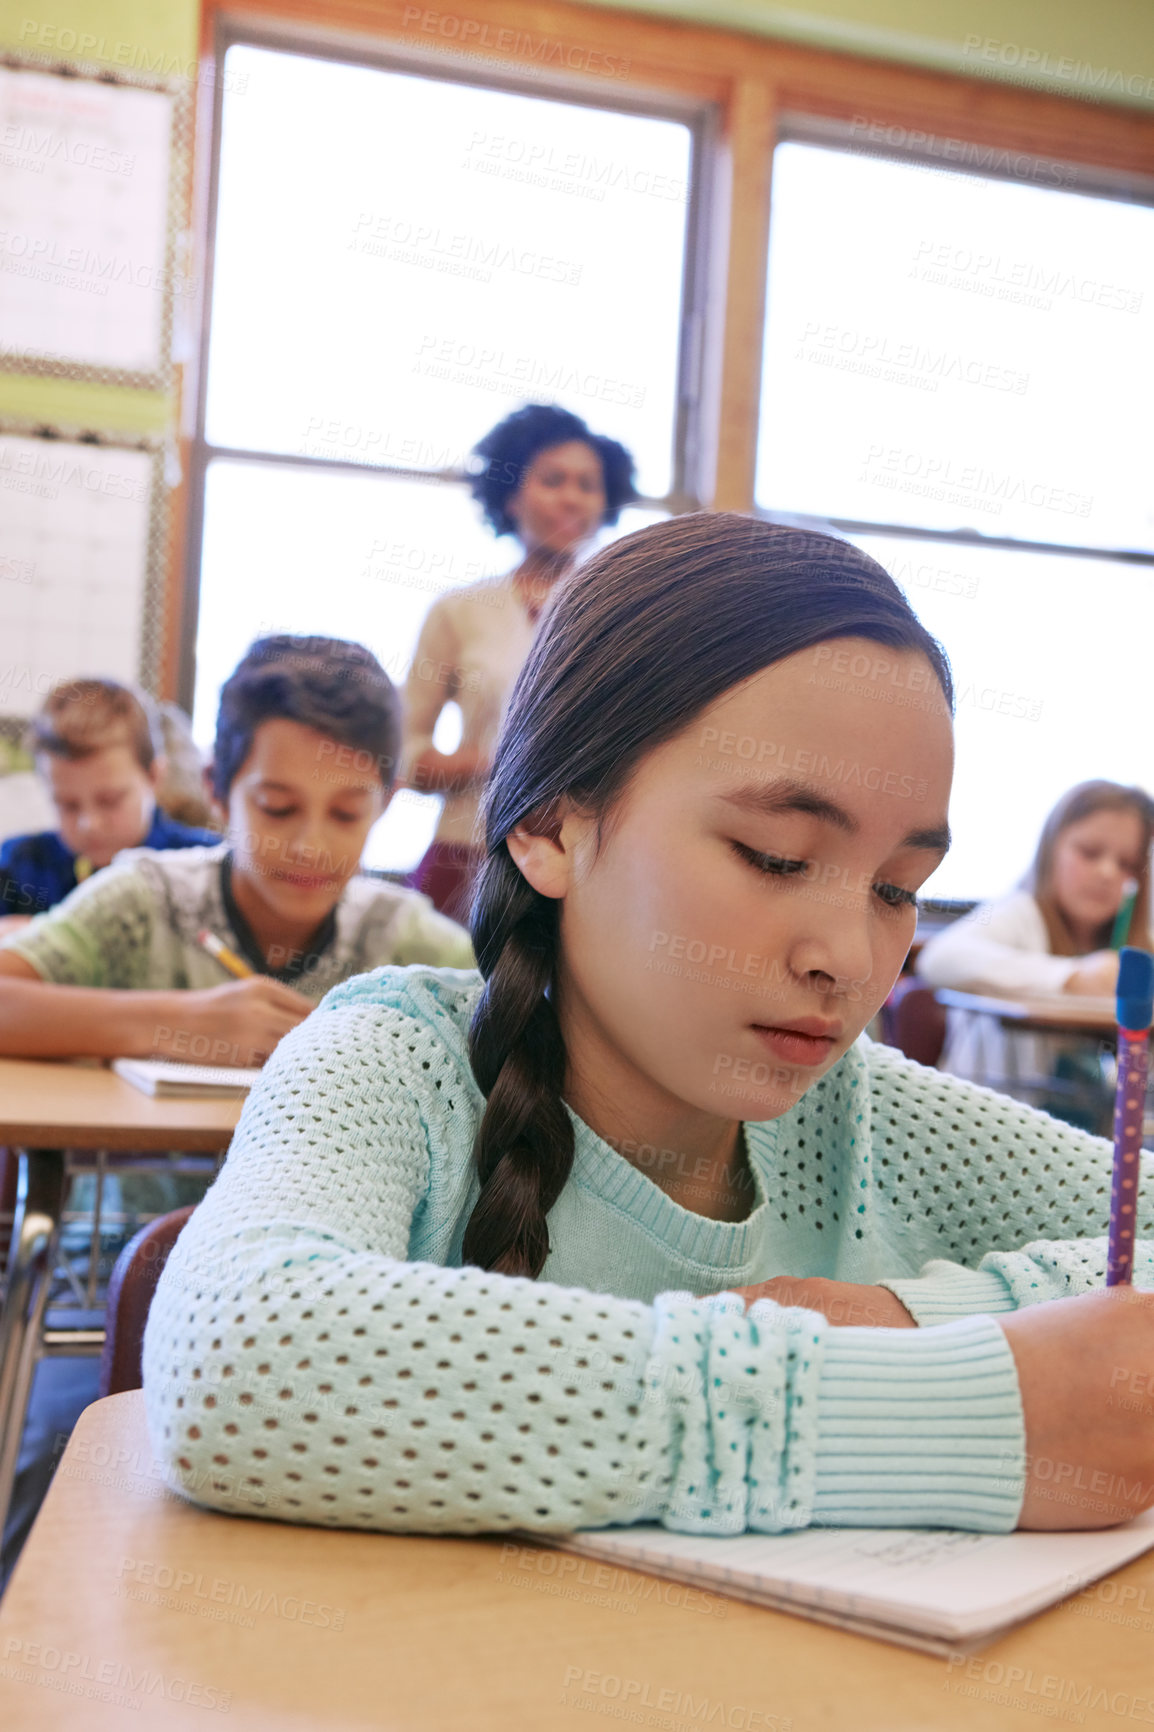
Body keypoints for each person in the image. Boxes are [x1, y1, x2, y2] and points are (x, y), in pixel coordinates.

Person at [144, 517, 1154, 1545]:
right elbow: (234, 1356)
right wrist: (946, 1415)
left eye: (898, 887)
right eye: (771, 855)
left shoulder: (864, 1114)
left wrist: (908, 1318)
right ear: (546, 826)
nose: (848, 958)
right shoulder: (400, 1061)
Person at [0, 634, 475, 1065]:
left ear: (385, 803)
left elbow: (529, 1020)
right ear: (218, 791)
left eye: (346, 814)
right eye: (278, 808)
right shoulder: (143, 903)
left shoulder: (401, 938)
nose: (311, 848)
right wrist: (178, 1024)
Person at [400, 403, 637, 921]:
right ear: (509, 496)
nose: (572, 497)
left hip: (587, 865)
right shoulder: (458, 612)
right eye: (553, 479)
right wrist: (505, 760)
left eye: (588, 484)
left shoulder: (627, 613)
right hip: (466, 857)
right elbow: (401, 755)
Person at [917, 781, 1154, 1123]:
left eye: (1127, 864)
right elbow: (938, 959)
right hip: (984, 1125)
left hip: (1091, 1137)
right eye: (1089, 853)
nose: (1107, 872)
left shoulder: (1134, 949)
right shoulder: (1020, 913)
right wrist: (1072, 977)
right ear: (1050, 848)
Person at [0, 679, 219, 937]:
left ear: (154, 776)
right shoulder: (19, 866)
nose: (89, 823)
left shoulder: (203, 864)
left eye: (110, 800)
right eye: (67, 805)